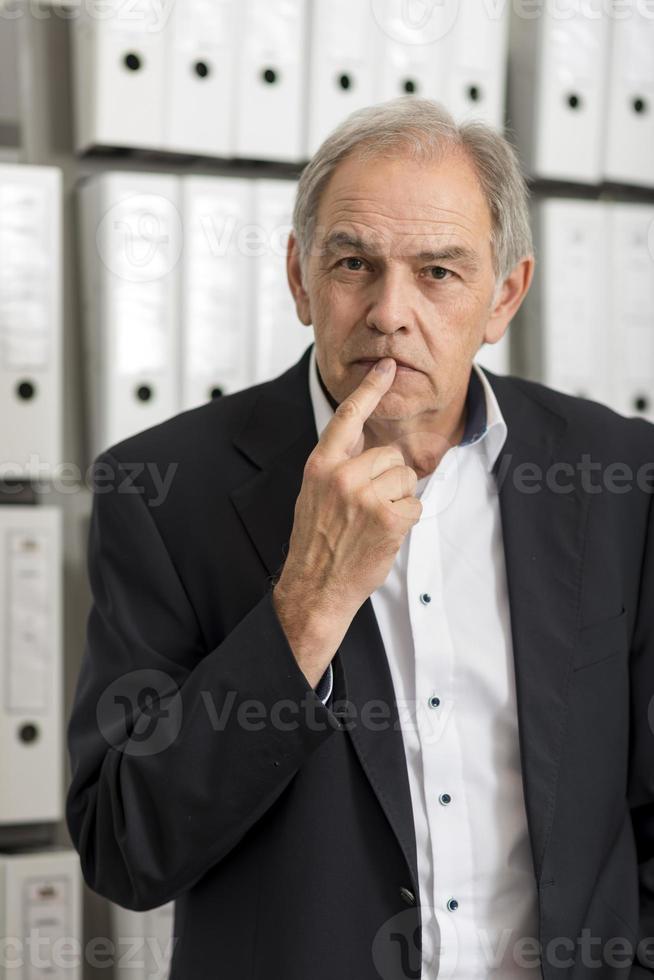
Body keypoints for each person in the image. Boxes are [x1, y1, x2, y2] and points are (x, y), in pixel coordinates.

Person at [65, 97, 654, 979]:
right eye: (353, 264)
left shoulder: (619, 474)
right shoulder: (163, 491)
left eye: (439, 273)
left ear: (505, 295)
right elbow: (125, 847)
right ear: (301, 279)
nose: (389, 311)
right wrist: (309, 603)